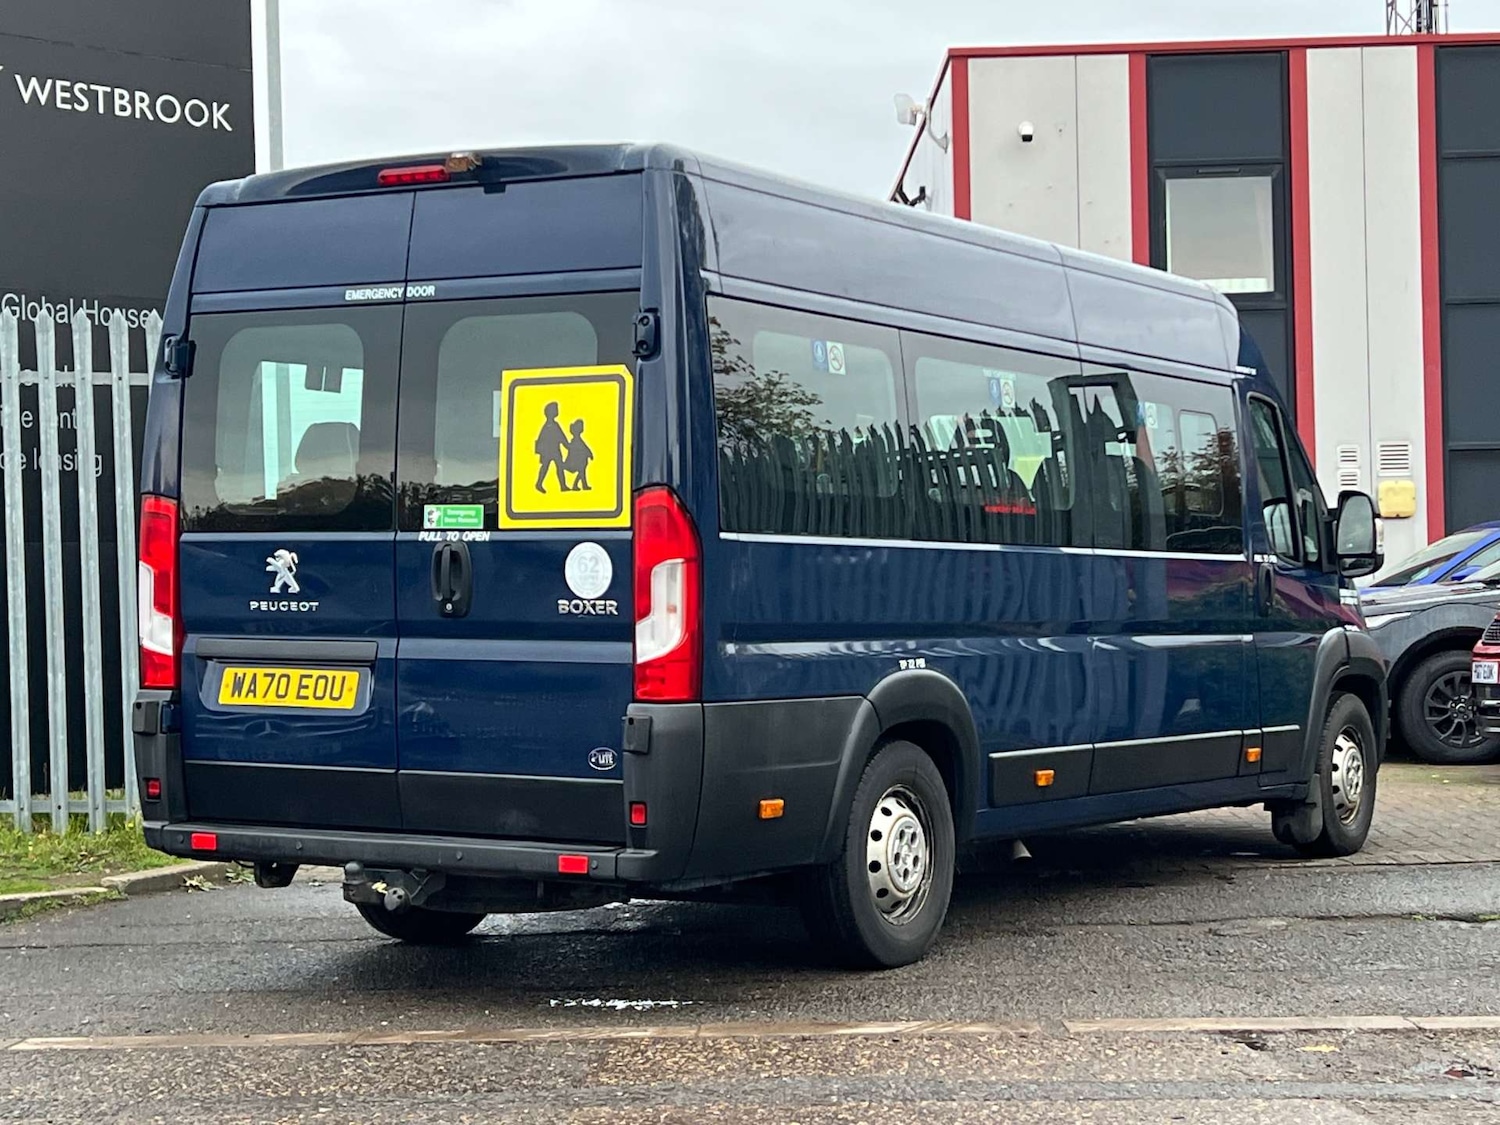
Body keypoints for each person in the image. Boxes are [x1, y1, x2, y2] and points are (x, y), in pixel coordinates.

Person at [534, 402, 569, 493]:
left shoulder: (554, 424)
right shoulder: (548, 426)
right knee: (545, 467)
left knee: (559, 467)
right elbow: (559, 437)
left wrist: (567, 445)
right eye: (555, 409)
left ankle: (563, 485)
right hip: (548, 451)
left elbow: (562, 437)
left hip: (555, 450)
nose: (557, 411)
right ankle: (539, 483)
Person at [564, 418, 594, 491]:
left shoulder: (578, 440)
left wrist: (589, 454)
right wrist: (589, 454)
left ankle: (580, 485)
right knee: (581, 471)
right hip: (573, 463)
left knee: (582, 471)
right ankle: (579, 485)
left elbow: (585, 448)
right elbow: (583, 448)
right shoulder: (576, 441)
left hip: (579, 462)